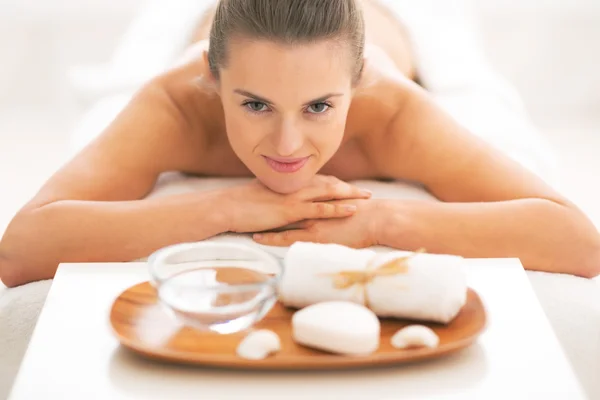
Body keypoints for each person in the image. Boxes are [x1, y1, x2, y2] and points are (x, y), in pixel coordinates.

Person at [1, 0, 598, 288]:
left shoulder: (391, 113)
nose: (287, 144)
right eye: (255, 104)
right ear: (212, 81)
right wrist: (223, 208)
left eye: (319, 107)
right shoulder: (177, 104)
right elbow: (19, 251)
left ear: (357, 85)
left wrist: (379, 220)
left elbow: (578, 243)